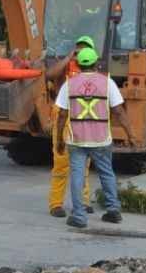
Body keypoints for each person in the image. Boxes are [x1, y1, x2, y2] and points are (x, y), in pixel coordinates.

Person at [53, 46, 130, 228]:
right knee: (107, 173)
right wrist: (131, 134)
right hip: (101, 138)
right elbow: (119, 110)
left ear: (78, 65)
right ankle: (113, 210)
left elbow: (62, 114)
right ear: (96, 63)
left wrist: (58, 140)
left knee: (77, 176)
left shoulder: (69, 84)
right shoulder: (107, 83)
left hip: (77, 139)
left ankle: (79, 216)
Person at [46, 35, 93, 217]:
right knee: (61, 162)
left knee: (84, 165)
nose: (80, 53)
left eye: (85, 49)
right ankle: (56, 204)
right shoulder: (65, 66)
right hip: (64, 116)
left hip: (83, 117)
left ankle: (83, 201)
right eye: (78, 49)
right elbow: (49, 75)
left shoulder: (93, 70)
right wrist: (68, 58)